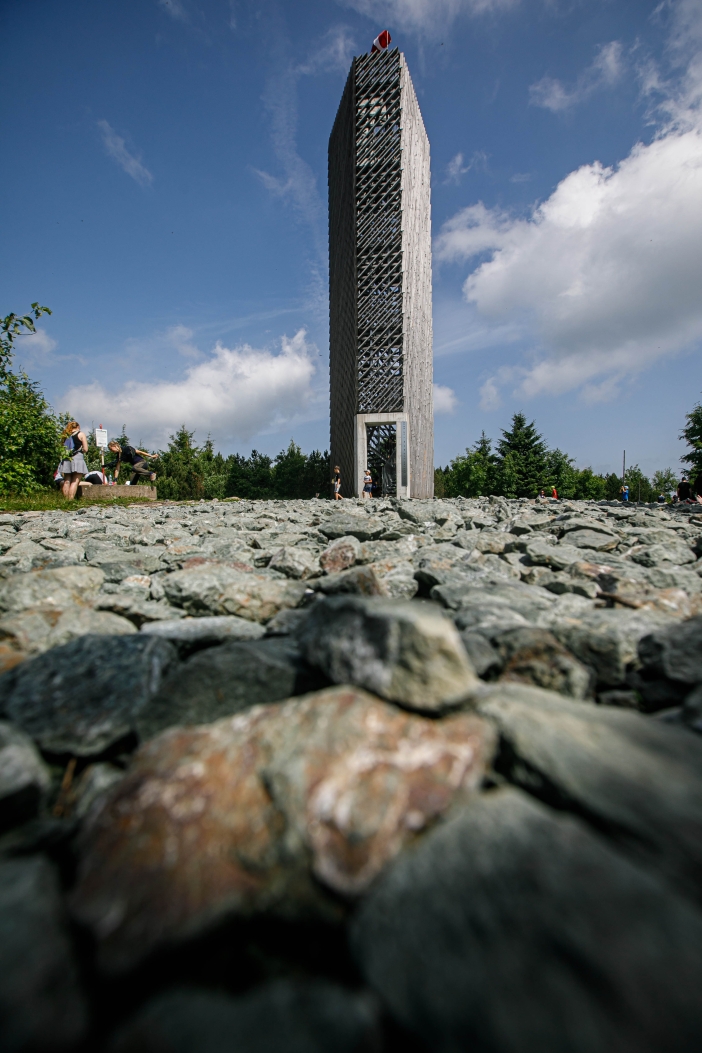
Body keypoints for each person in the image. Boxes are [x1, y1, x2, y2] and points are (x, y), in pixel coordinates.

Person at [59, 421, 88, 500]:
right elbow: (85, 449)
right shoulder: (81, 434)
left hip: (67, 458)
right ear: (78, 427)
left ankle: (65, 500)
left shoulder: (65, 435)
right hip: (77, 458)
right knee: (75, 480)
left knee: (66, 480)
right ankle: (70, 499)